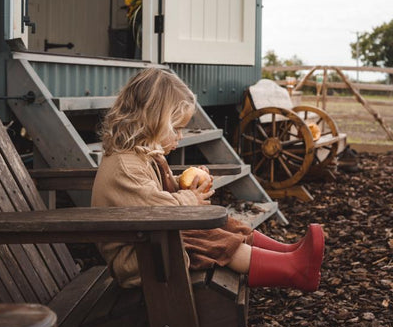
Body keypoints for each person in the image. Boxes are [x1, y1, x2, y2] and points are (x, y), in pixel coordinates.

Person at [92, 68, 324, 291]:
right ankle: (293, 269)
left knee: (222, 223)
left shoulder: (142, 155)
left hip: (151, 241)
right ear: (151, 120)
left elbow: (150, 196)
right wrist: (190, 198)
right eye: (177, 129)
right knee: (209, 237)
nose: (180, 137)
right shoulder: (126, 167)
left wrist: (183, 181)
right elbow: (158, 211)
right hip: (140, 260)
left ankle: (285, 253)